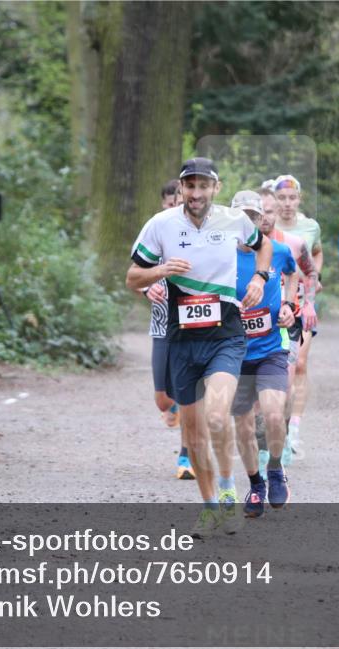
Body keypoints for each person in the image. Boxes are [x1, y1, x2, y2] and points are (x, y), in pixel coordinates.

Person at [126, 158, 272, 538]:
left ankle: (228, 490)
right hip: (181, 338)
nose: (196, 193)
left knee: (217, 417)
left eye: (203, 186)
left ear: (215, 188)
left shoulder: (234, 220)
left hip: (225, 334)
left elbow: (264, 245)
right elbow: (132, 277)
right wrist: (159, 273)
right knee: (192, 439)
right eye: (189, 186)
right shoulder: (160, 225)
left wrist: (260, 275)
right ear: (181, 188)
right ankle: (209, 508)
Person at [228, 190, 297, 517]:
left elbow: (293, 272)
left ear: (260, 221)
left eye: (253, 217)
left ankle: (274, 469)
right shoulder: (220, 257)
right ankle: (255, 485)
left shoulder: (277, 252)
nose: (247, 223)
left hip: (270, 348)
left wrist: (289, 306)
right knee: (242, 424)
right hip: (234, 353)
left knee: (272, 414)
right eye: (241, 217)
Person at [257, 187, 317, 466]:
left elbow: (311, 272)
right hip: (255, 323)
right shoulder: (240, 245)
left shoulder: (292, 244)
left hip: (287, 322)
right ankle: (263, 449)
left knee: (285, 384)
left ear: (276, 212)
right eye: (260, 212)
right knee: (256, 391)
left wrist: (307, 304)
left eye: (269, 211)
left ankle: (286, 432)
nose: (264, 217)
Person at [141, 179, 194, 479]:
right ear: (163, 204)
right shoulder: (155, 232)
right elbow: (138, 273)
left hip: (191, 326)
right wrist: (148, 288)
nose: (174, 207)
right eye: (169, 202)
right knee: (163, 399)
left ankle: (186, 457)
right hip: (161, 326)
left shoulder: (195, 235)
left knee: (188, 395)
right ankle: (170, 407)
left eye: (179, 201)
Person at [270, 174, 322, 458]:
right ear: (275, 200)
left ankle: (295, 427)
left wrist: (315, 278)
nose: (287, 203)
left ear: (299, 199)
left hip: (302, 302)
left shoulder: (309, 226)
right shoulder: (266, 225)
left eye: (292, 198)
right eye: (282, 198)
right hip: (273, 303)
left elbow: (316, 254)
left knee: (299, 363)